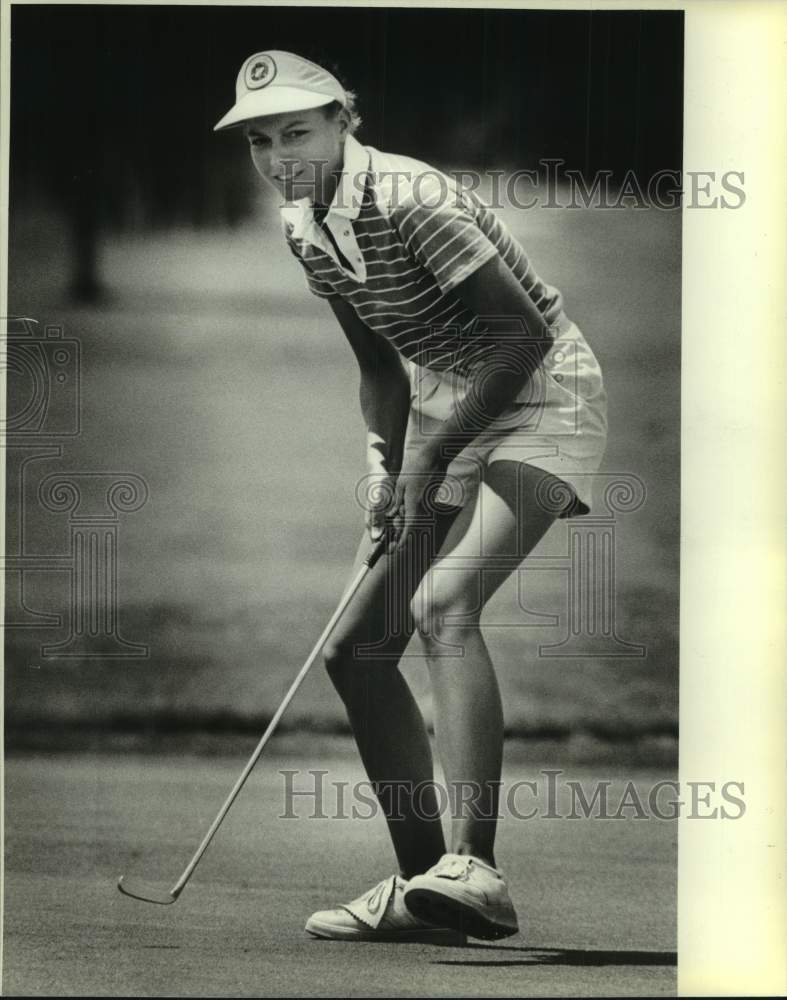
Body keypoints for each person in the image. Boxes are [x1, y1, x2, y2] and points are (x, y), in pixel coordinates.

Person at [215, 49, 608, 943]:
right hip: (440, 401)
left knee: (444, 603)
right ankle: (428, 890)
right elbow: (379, 370)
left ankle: (477, 870)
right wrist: (383, 469)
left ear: (343, 121)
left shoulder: (410, 199)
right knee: (356, 648)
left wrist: (430, 456)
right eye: (260, 141)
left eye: (297, 132)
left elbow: (518, 342)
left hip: (542, 395)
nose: (280, 155)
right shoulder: (302, 224)